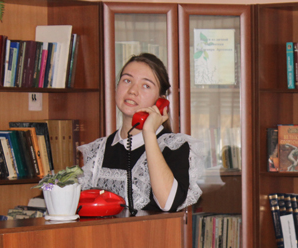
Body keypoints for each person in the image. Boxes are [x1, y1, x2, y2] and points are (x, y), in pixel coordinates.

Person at [78, 53, 204, 212]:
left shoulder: (174, 146)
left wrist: (149, 133)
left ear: (161, 100)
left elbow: (168, 203)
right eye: (127, 80)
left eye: (146, 85)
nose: (132, 90)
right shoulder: (98, 150)